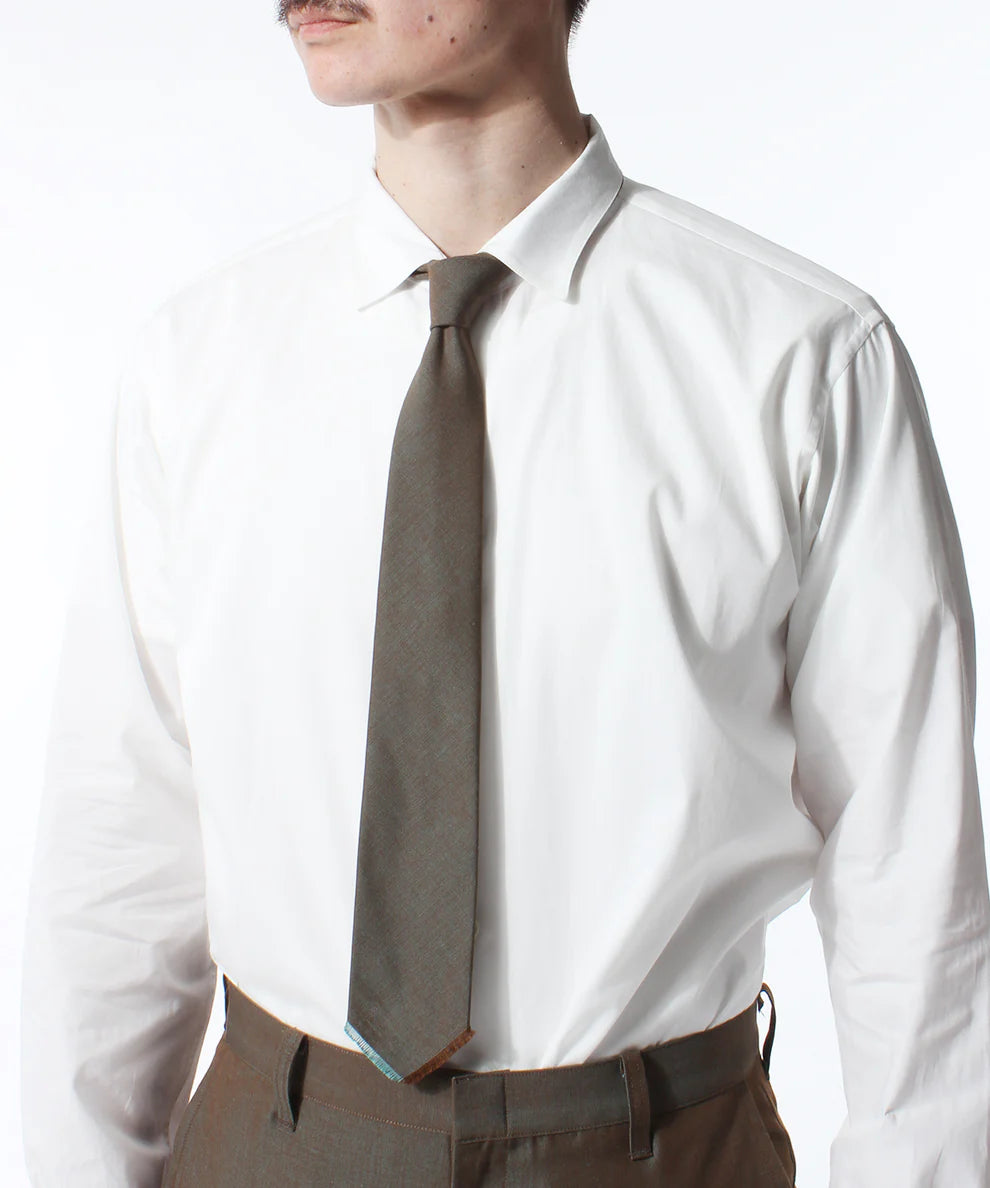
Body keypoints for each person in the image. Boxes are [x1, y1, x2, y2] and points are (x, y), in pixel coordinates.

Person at [21, 0, 990, 1184]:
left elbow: (911, 888)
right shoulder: (200, 361)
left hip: (658, 1153)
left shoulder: (802, 362)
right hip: (278, 1142)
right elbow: (121, 856)